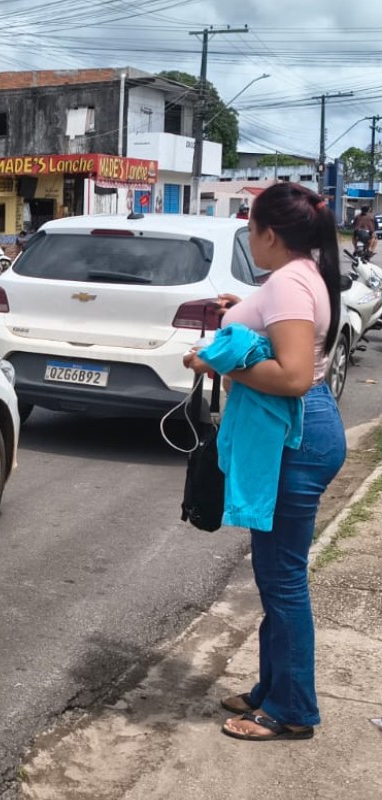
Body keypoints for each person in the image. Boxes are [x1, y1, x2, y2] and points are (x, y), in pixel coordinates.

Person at [183, 181, 346, 742]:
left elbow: (295, 375)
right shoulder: (302, 275)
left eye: (249, 228)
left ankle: (293, 709)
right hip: (303, 431)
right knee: (276, 573)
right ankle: (272, 689)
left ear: (268, 233)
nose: (248, 238)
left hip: (296, 437)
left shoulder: (289, 285)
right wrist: (241, 316)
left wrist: (217, 363)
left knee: (282, 580)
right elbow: (284, 340)